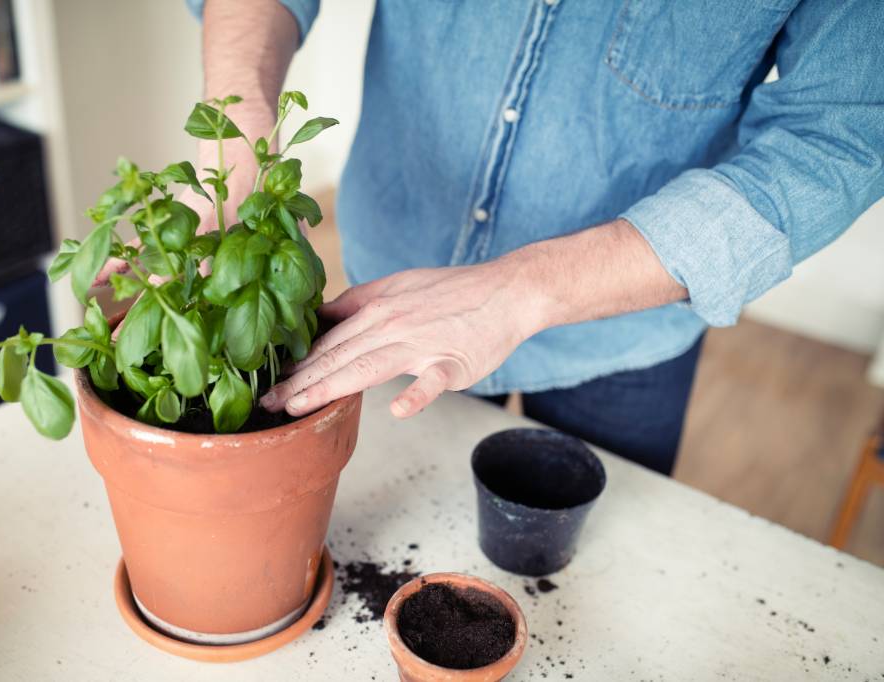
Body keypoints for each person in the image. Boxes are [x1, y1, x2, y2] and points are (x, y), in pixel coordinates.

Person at [121, 0, 884, 475]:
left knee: (583, 581)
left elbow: (846, 131)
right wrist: (240, 126)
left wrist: (523, 288)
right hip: (388, 290)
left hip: (623, 324)